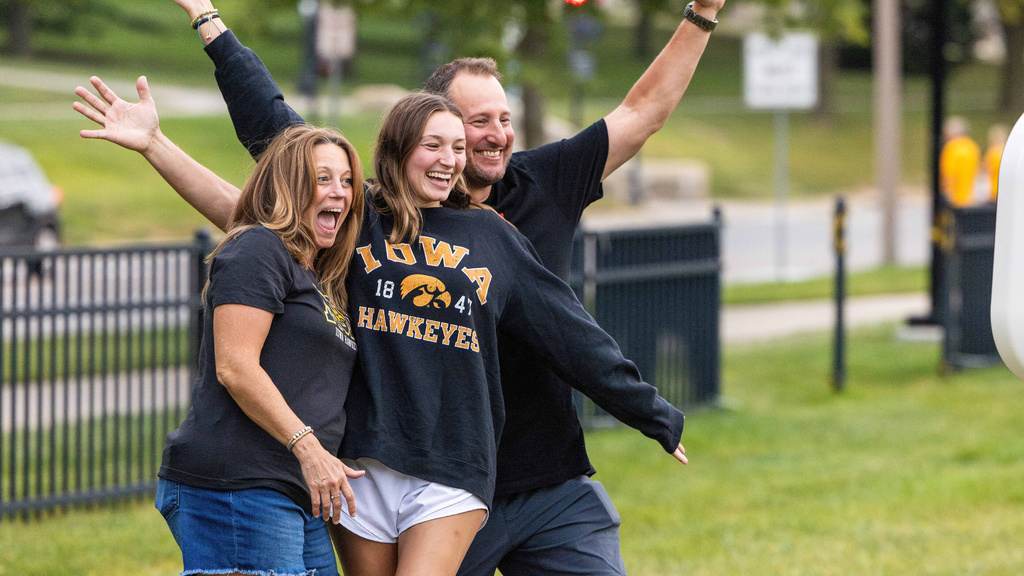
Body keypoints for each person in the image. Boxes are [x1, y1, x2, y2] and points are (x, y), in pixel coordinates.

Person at [171, 3, 720, 574]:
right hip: (371, 460)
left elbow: (570, 332)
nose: (479, 143)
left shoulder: (508, 220)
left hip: (489, 469)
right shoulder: (357, 214)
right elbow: (273, 154)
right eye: (457, 131)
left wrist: (651, 411)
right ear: (411, 134)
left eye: (491, 125)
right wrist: (209, 26)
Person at [73, 78, 366, 575]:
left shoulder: (316, 272)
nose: (338, 191)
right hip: (239, 485)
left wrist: (154, 142)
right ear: (291, 187)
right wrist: (311, 449)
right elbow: (235, 367)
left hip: (295, 489)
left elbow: (232, 205)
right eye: (322, 178)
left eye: (345, 181)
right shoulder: (259, 249)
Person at [940, 116, 981, 207]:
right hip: (971, 199)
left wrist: (946, 196)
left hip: (955, 200)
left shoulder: (951, 147)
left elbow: (948, 174)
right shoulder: (972, 146)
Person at [984, 123, 1008, 201]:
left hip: (994, 190)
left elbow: (985, 170)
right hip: (1006, 189)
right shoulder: (1009, 152)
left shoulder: (992, 152)